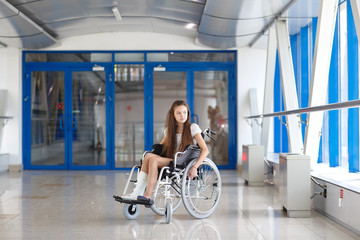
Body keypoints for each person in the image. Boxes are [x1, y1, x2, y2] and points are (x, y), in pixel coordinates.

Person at [122, 100, 209, 205]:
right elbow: (161, 149)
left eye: (184, 112)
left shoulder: (192, 128)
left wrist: (195, 167)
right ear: (173, 115)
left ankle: (147, 195)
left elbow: (205, 150)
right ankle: (137, 192)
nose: (182, 115)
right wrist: (148, 155)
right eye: (179, 113)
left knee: (153, 159)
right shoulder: (169, 130)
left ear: (188, 113)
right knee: (149, 156)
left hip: (183, 161)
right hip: (172, 160)